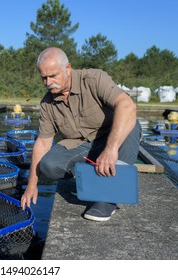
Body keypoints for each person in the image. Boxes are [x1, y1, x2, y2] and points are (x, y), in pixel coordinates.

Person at [21, 47, 141, 222]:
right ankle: (86, 176)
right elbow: (43, 142)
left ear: (67, 68)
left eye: (53, 76)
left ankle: (108, 198)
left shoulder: (94, 79)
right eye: (44, 78)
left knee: (132, 124)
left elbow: (127, 106)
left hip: (110, 136)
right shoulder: (47, 103)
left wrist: (111, 149)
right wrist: (32, 183)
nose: (48, 82)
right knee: (48, 165)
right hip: (82, 145)